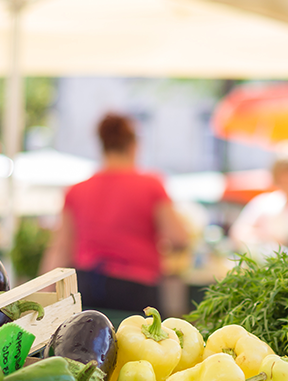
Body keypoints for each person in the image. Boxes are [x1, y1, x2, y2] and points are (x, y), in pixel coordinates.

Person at [43, 113, 189, 313]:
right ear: (134, 146)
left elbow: (60, 249)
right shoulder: (151, 185)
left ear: (102, 145)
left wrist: (45, 297)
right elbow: (179, 238)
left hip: (87, 285)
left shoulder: (77, 190)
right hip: (137, 288)